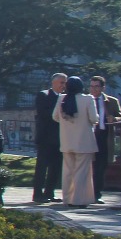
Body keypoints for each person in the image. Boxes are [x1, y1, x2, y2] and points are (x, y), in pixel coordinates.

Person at [53, 76, 98, 207]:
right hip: (84, 141)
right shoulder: (88, 99)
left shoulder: (62, 98)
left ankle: (67, 199)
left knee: (67, 171)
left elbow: (55, 116)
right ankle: (79, 199)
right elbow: (94, 118)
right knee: (82, 172)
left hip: (67, 141)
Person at [33, 73, 66, 203]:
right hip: (46, 137)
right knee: (42, 167)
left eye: (65, 83)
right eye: (61, 82)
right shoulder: (44, 95)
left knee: (56, 167)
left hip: (59, 138)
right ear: (53, 83)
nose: (63, 85)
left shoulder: (64, 97)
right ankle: (37, 194)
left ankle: (49, 192)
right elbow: (43, 113)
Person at [89, 76, 121, 200]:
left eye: (96, 86)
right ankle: (87, 192)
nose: (93, 89)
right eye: (91, 86)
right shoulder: (86, 100)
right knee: (89, 166)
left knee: (101, 166)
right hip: (89, 136)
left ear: (103, 88)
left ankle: (97, 194)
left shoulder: (111, 101)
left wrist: (114, 118)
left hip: (104, 136)